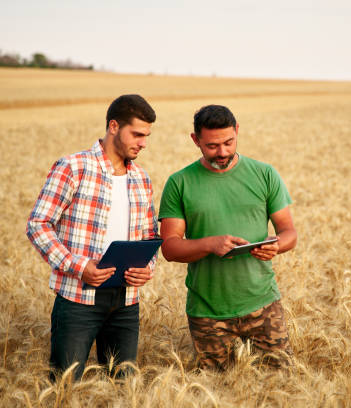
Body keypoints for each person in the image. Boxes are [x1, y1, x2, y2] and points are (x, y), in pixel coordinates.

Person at [26, 94, 159, 381]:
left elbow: (150, 237)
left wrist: (148, 268)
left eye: (146, 136)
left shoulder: (142, 179)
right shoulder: (73, 167)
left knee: (124, 388)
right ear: (113, 126)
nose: (143, 142)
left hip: (126, 301)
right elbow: (38, 224)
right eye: (137, 134)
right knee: (64, 385)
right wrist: (78, 266)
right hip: (77, 299)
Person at [158, 104, 297, 370]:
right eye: (212, 146)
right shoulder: (179, 183)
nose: (222, 152)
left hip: (263, 304)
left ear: (237, 132)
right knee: (215, 388)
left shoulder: (265, 174)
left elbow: (289, 232)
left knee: (280, 383)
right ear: (195, 140)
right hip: (207, 311)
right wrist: (210, 244)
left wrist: (276, 246)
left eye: (229, 142)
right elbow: (170, 248)